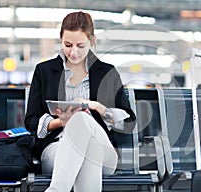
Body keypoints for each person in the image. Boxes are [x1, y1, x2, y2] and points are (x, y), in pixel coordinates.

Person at [24, 11, 136, 192]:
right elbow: (31, 121)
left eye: (80, 46)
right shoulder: (44, 71)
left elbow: (129, 122)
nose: (73, 52)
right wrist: (61, 122)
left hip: (104, 150)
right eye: (68, 45)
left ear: (91, 41)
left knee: (82, 119)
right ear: (60, 39)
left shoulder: (107, 73)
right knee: (88, 150)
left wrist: (96, 107)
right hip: (57, 149)